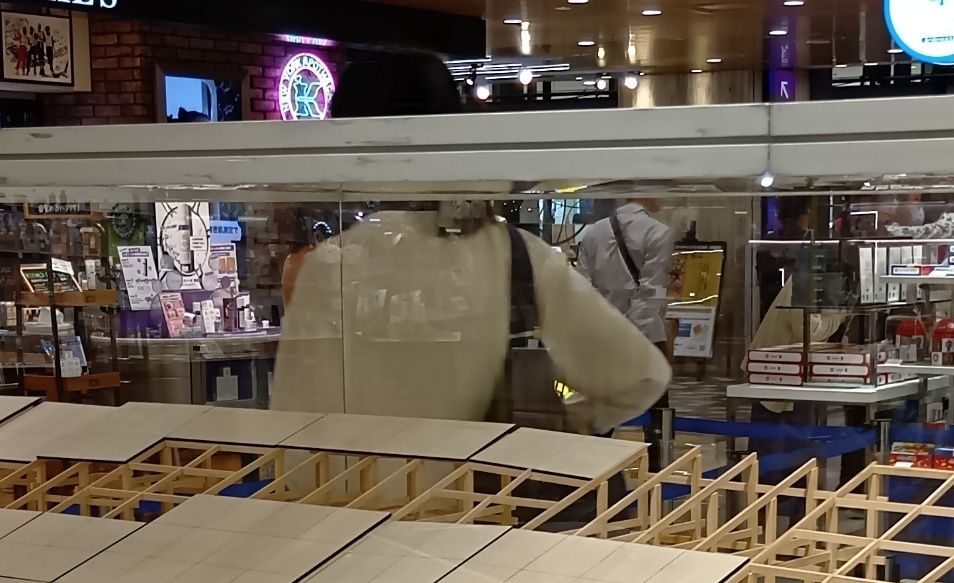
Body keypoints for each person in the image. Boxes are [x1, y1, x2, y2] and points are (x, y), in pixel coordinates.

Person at [272, 51, 669, 434]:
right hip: (484, 478)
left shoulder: (330, 267)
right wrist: (553, 432)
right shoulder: (517, 256)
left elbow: (294, 424)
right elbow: (641, 376)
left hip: (359, 479)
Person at [575, 198, 674, 352]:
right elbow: (649, 295)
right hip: (642, 339)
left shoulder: (593, 231)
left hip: (601, 334)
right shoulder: (658, 232)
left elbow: (581, 287)